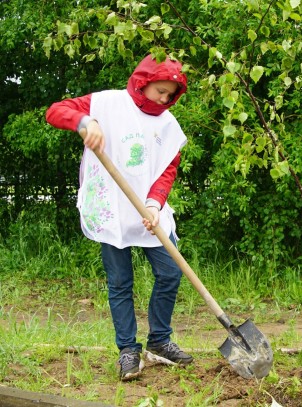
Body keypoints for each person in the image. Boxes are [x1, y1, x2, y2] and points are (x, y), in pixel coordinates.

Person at [46, 54, 193, 381]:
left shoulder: (169, 125)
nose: (165, 100)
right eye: (160, 92)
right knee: (120, 283)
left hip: (149, 213)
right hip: (112, 210)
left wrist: (155, 204)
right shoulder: (107, 104)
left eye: (171, 95)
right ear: (144, 82)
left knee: (170, 272)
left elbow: (167, 170)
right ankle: (128, 349)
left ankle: (159, 341)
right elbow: (55, 111)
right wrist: (84, 122)